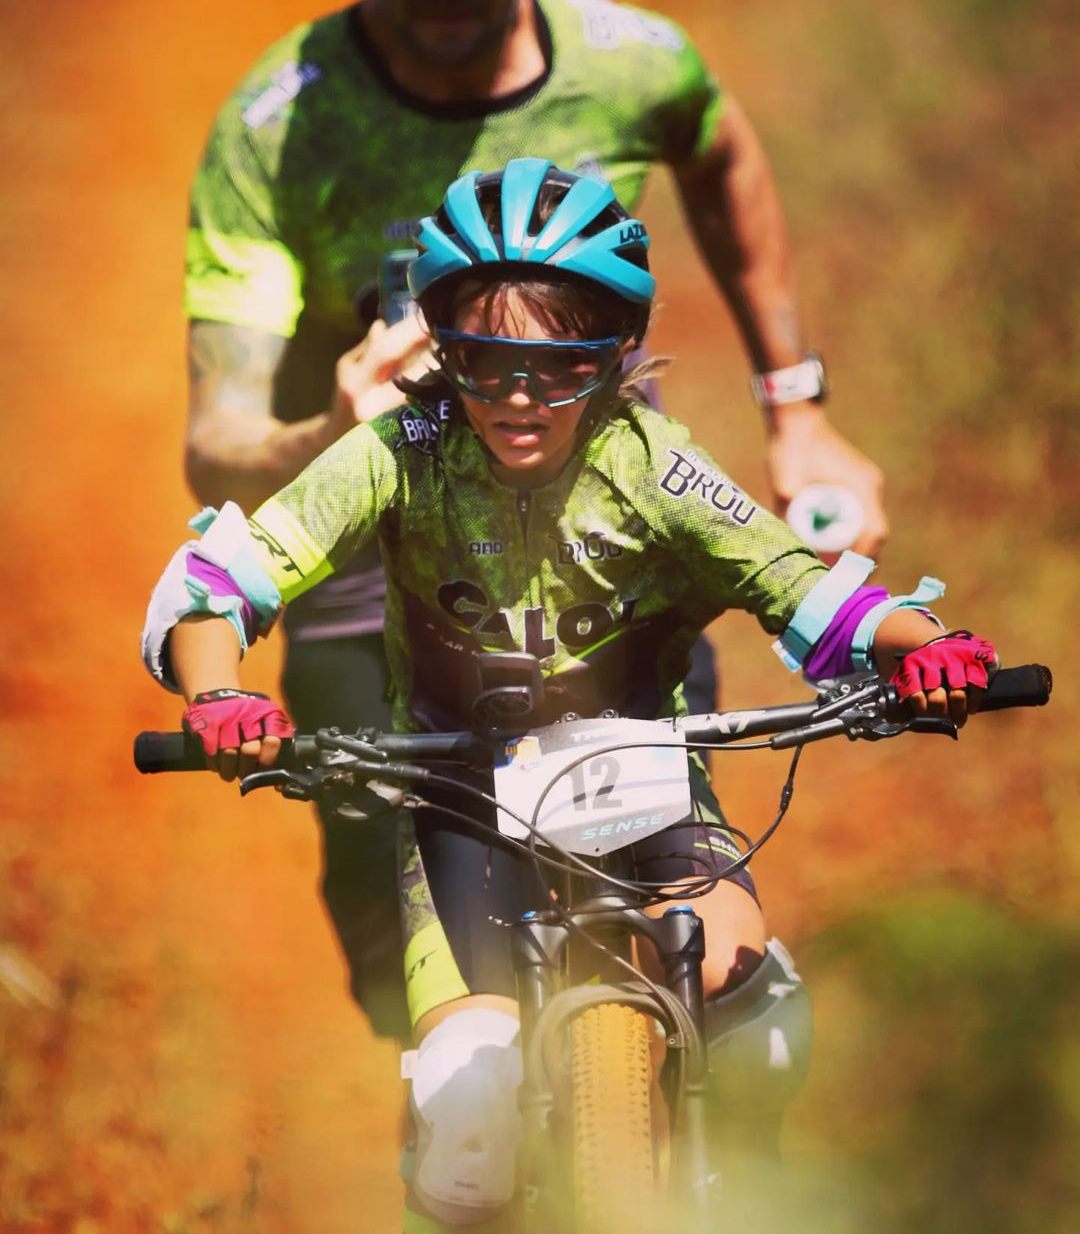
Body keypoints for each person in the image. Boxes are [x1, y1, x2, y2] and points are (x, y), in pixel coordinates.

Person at [147, 160, 997, 1232]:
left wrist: (930, 644)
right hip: (459, 800)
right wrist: (218, 692)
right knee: (469, 1114)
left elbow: (808, 587)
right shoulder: (397, 453)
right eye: (483, 361)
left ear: (616, 357)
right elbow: (225, 581)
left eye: (559, 367)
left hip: (649, 783)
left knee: (757, 1019)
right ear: (439, 348)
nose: (516, 398)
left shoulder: (654, 464)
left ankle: (740, 1184)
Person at [182, 0, 888, 1040]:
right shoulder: (279, 121)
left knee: (688, 921)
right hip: (379, 530)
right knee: (410, 978)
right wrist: (332, 431)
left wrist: (796, 407)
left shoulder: (635, 63)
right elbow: (213, 439)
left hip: (613, 535)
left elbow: (725, 163)